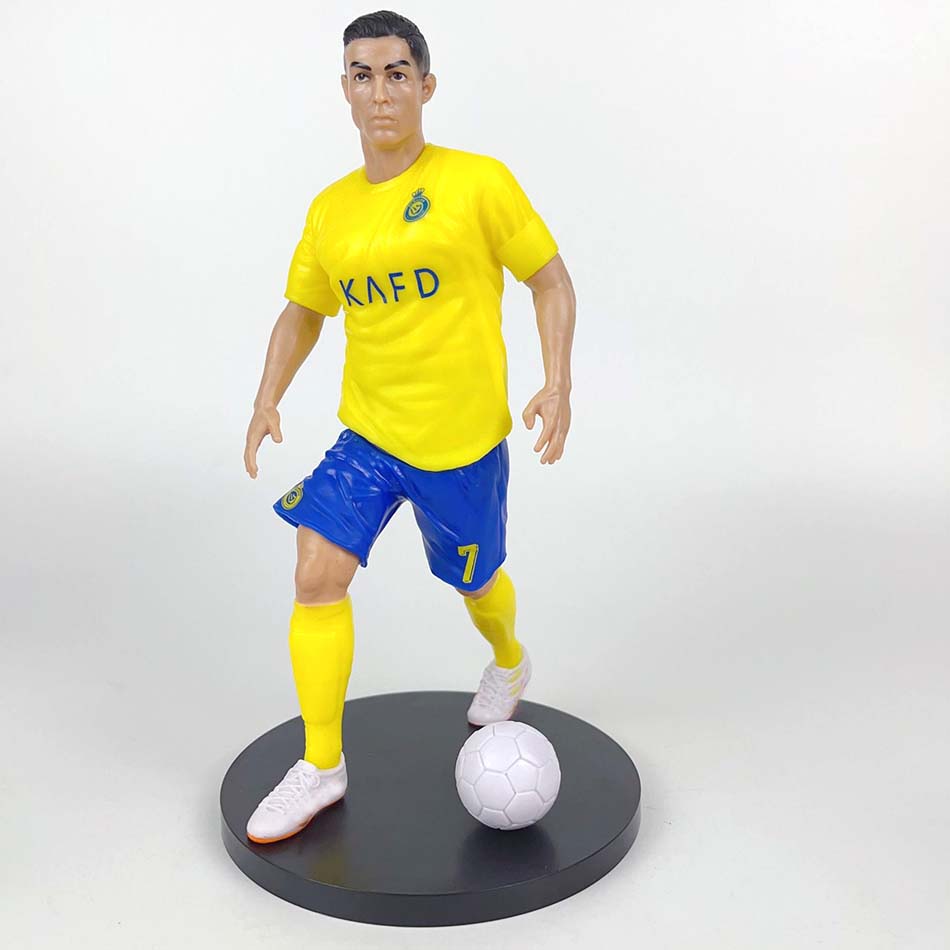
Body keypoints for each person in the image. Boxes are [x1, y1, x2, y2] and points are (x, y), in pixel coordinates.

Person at [242, 10, 576, 845]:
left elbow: (549, 280)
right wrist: (266, 396)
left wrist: (558, 380)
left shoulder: (478, 183)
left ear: (425, 86)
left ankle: (509, 660)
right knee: (316, 571)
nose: (381, 91)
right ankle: (322, 764)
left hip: (461, 445)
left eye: (397, 74)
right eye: (363, 74)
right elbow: (304, 311)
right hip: (370, 437)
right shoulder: (331, 211)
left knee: (476, 584)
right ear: (345, 90)